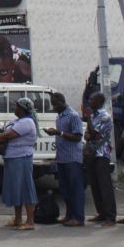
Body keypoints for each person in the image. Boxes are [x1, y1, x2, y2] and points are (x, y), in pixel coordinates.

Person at [0, 97, 39, 230]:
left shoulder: (27, 122)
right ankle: (18, 219)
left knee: (26, 188)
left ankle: (30, 221)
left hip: (22, 158)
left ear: (23, 109)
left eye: (17, 106)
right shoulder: (17, 121)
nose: (15, 108)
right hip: (12, 158)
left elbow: (9, 135)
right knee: (15, 189)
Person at [45, 92, 84, 226]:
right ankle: (69, 215)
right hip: (62, 158)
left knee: (75, 189)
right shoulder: (60, 117)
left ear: (62, 102)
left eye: (55, 104)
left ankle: (78, 218)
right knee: (65, 189)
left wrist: (59, 132)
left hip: (72, 158)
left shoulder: (73, 116)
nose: (54, 107)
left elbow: (77, 136)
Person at [84, 92, 116, 226]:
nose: (89, 101)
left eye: (92, 99)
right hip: (92, 153)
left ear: (98, 102)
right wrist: (90, 131)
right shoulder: (93, 116)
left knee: (104, 186)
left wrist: (88, 120)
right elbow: (87, 135)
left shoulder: (104, 116)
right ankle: (101, 213)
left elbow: (94, 134)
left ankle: (110, 216)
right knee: (95, 185)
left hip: (101, 154)